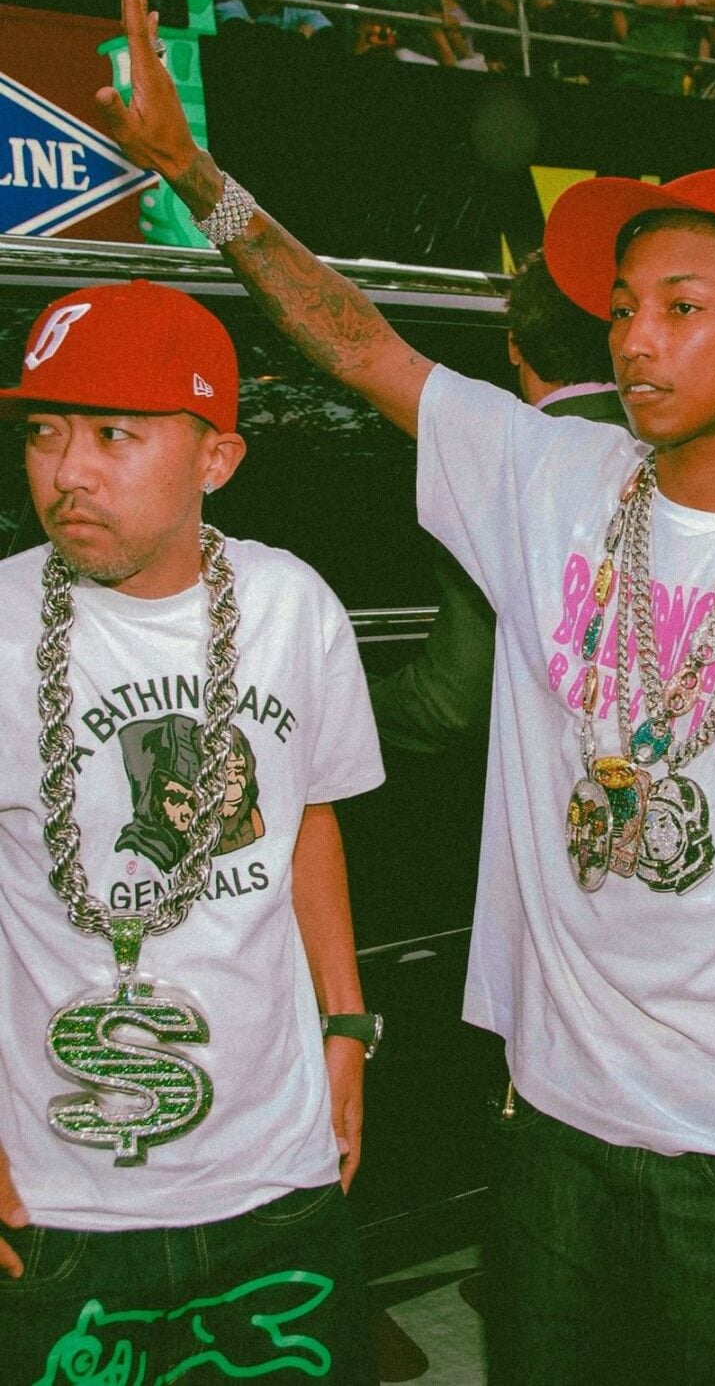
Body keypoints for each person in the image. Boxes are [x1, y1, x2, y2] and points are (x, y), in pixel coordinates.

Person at [96, 0, 715, 1385]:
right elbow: (354, 335)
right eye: (623, 305)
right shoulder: (546, 474)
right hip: (552, 1131)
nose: (637, 335)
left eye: (682, 304)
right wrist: (195, 173)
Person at [0, 273, 383, 1383]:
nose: (68, 473)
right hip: (58, 1207)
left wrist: (349, 1026)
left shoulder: (292, 608)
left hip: (274, 1183)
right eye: (46, 432)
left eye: (115, 433)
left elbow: (307, 821)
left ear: (217, 459)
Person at [372, 251, 625, 755]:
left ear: (514, 345)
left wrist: (327, 703)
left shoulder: (500, 469)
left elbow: (451, 703)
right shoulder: (688, 454)